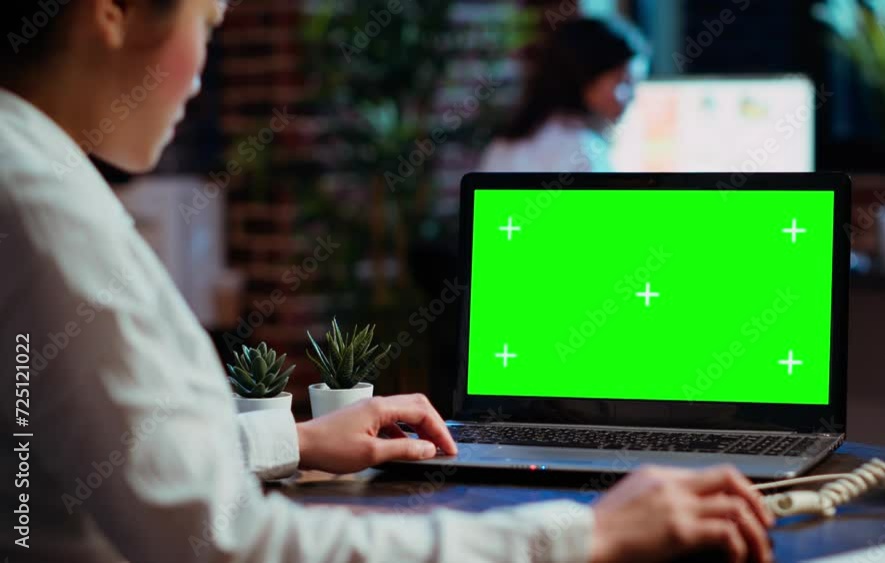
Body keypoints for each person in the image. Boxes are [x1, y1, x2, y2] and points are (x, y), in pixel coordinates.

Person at [0, 1, 774, 562]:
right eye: (207, 24)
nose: (203, 74)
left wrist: (293, 438)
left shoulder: (29, 171)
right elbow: (233, 544)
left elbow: (107, 461)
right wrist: (588, 533)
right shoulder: (42, 207)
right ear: (112, 12)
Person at [478, 17, 649, 173]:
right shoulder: (585, 154)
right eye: (624, 82)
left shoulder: (502, 145)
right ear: (584, 77)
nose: (632, 97)